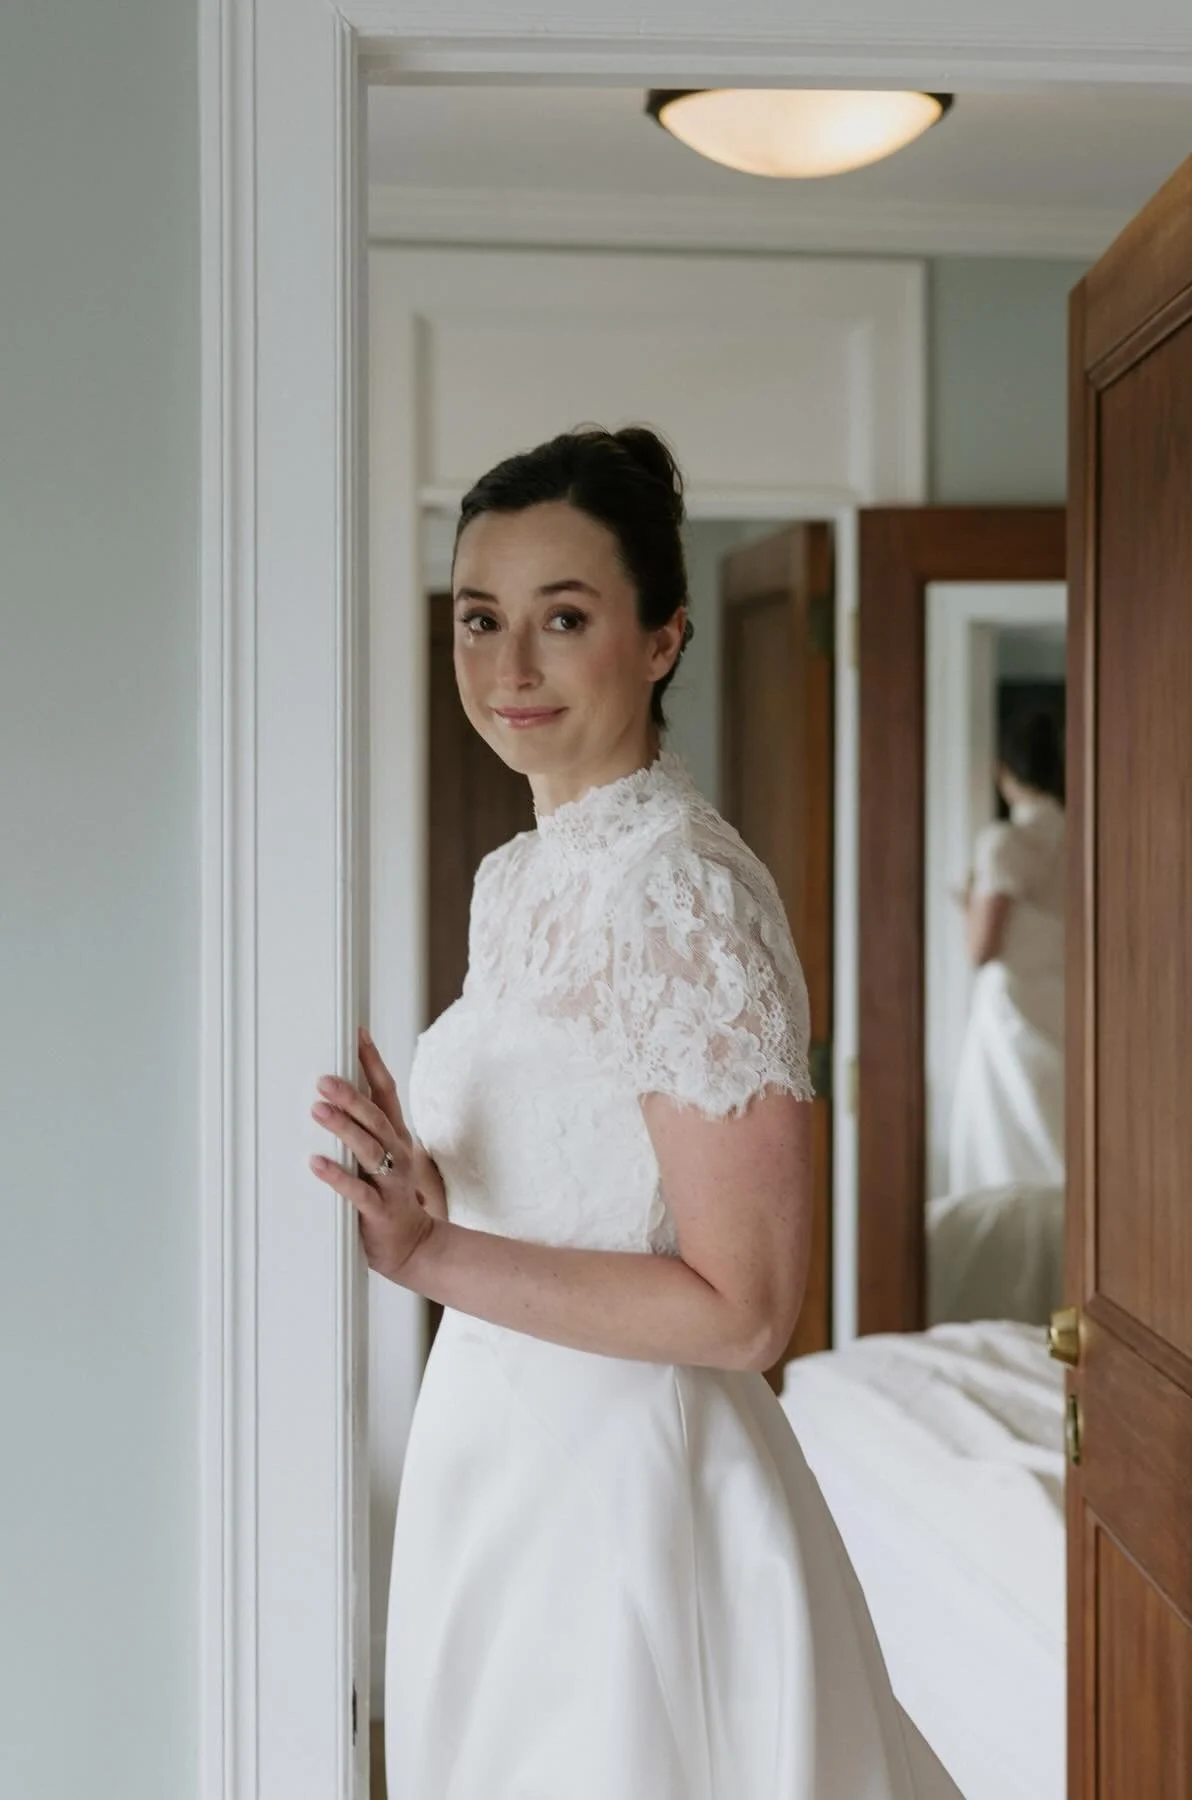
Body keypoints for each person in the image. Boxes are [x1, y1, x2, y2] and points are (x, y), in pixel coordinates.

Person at [309, 427, 963, 1799]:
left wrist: (434, 1260)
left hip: (625, 1494)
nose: (510, 668)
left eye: (565, 618)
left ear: (663, 638)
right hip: (493, 1446)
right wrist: (422, 1180)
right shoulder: (519, 878)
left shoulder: (681, 893)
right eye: (481, 618)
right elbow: (584, 1160)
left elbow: (743, 1309)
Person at [945, 708, 1066, 1200]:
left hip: (1014, 1008)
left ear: (1005, 772)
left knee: (1005, 1141)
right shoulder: (1086, 836)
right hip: (1067, 998)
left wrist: (969, 903)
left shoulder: (1004, 842)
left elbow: (981, 948)